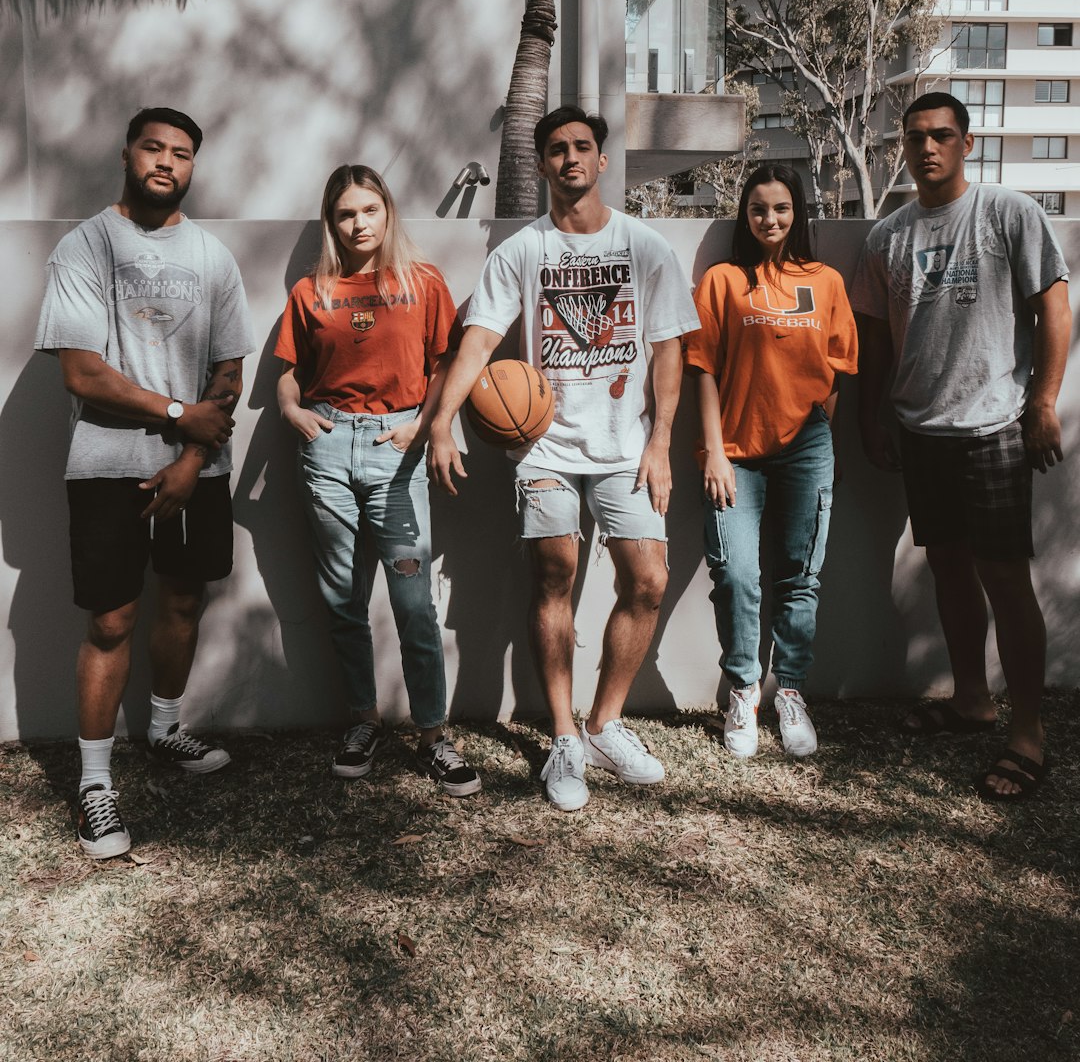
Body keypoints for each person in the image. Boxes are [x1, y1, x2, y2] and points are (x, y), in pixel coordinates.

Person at [427, 106, 700, 811]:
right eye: (557, 149)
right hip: (543, 444)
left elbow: (671, 347)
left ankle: (606, 722)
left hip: (625, 446)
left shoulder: (645, 246)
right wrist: (441, 423)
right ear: (543, 165)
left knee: (647, 578)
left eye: (583, 147)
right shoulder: (521, 251)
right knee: (555, 575)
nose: (571, 158)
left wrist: (663, 439)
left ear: (603, 161)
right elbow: (479, 342)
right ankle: (562, 737)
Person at [35, 108, 255, 858]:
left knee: (185, 599)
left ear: (194, 165)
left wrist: (192, 458)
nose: (167, 162)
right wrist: (175, 413)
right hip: (107, 466)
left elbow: (230, 371)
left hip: (197, 469)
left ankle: (164, 729)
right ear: (126, 152)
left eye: (182, 153)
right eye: (154, 147)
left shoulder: (213, 257)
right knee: (111, 622)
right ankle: (96, 785)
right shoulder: (85, 246)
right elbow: (81, 371)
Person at [852, 92, 1070, 802]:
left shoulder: (1009, 213)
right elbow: (877, 342)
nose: (926, 148)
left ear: (967, 143)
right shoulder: (888, 236)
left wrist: (1041, 403)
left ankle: (1028, 734)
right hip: (921, 430)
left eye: (941, 135)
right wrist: (872, 416)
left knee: (1005, 578)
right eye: (915, 137)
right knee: (948, 566)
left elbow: (1055, 309)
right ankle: (973, 701)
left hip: (994, 425)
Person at [274, 166, 480, 797]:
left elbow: (446, 361)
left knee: (414, 602)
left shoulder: (422, 283)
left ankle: (434, 734)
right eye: (345, 214)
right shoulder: (314, 290)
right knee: (342, 596)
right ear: (331, 221)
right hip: (330, 446)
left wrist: (424, 424)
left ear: (387, 213)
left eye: (369, 210)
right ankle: (363, 722)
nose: (358, 224)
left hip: (398, 448)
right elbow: (287, 368)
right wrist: (292, 412)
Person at [685, 164, 858, 759]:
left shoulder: (826, 281)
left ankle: (789, 691)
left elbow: (837, 371)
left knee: (797, 575)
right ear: (745, 214)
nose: (770, 219)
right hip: (733, 451)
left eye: (781, 208)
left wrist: (813, 433)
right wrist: (712, 451)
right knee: (735, 575)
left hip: (806, 449)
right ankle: (742, 690)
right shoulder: (722, 281)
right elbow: (701, 369)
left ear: (797, 213)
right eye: (759, 208)